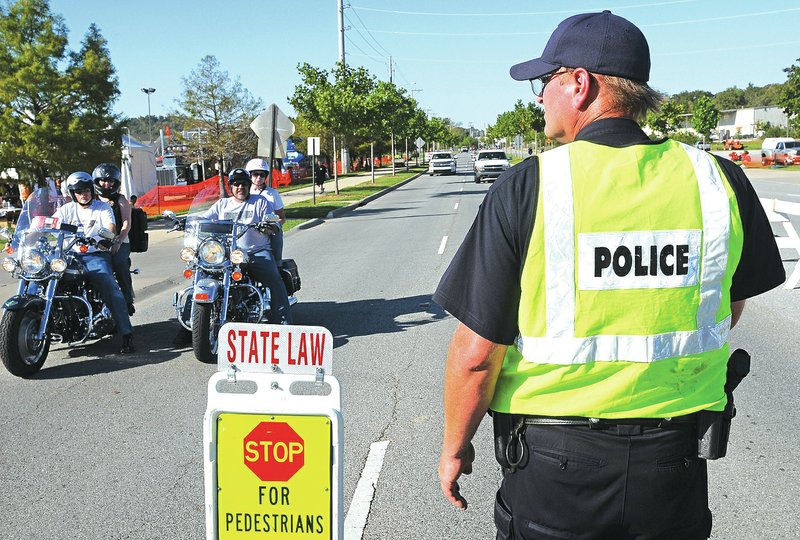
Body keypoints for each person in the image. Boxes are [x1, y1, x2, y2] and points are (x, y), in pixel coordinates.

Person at [434, 11, 785, 540]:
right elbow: (726, 306)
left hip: (553, 470)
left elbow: (478, 353)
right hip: (674, 466)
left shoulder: (531, 186)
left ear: (580, 84)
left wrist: (455, 448)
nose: (538, 98)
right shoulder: (717, 178)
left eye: (543, 81)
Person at [54, 172, 135, 354]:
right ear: (73, 193)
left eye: (87, 190)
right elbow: (49, 223)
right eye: (79, 191)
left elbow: (111, 226)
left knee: (108, 284)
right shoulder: (66, 209)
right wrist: (33, 231)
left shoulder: (102, 208)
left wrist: (107, 237)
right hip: (68, 256)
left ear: (92, 190)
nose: (84, 194)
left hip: (95, 255)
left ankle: (126, 334)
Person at [201, 168, 292, 324]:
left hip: (256, 252)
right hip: (226, 255)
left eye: (243, 184)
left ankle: (284, 324)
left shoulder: (260, 202)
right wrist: (189, 222)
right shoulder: (222, 204)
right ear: (231, 187)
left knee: (274, 281)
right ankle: (191, 325)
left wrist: (269, 225)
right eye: (236, 184)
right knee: (201, 278)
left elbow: (273, 221)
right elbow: (204, 219)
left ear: (249, 185)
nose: (240, 187)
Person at [92, 163, 135, 315]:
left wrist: (118, 240)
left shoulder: (120, 199)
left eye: (110, 181)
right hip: (95, 241)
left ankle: (128, 300)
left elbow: (126, 222)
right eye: (103, 180)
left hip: (119, 240)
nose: (106, 184)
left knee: (119, 262)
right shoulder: (91, 198)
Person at [245, 158, 286, 266]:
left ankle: (278, 265)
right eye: (255, 174)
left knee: (276, 233)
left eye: (262, 175)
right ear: (249, 175)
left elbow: (281, 217)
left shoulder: (272, 193)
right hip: (246, 230)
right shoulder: (243, 192)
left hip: (267, 229)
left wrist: (269, 222)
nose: (258, 177)